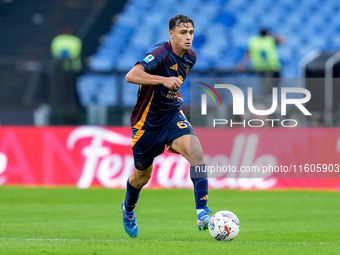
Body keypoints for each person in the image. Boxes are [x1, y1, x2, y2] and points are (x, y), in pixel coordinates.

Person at [122, 14, 212, 238]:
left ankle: (202, 212)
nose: (188, 37)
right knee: (141, 178)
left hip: (172, 115)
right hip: (147, 124)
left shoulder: (190, 57)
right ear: (171, 34)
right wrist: (163, 80)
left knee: (197, 153)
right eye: (183, 33)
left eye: (191, 32)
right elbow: (131, 75)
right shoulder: (160, 53)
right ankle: (128, 209)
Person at [236, 28, 284, 97]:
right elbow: (282, 40)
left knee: (268, 87)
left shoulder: (254, 41)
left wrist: (242, 64)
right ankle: (264, 104)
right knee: (268, 88)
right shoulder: (270, 39)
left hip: (261, 67)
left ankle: (266, 102)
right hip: (271, 67)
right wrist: (273, 34)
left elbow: (248, 53)